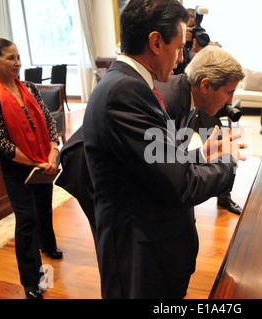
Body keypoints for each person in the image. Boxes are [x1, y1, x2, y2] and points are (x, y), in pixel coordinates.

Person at [83, 0, 242, 299]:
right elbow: (182, 184)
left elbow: (157, 160)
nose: (181, 58)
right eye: (179, 47)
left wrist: (199, 156)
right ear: (156, 42)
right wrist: (228, 160)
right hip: (140, 253)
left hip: (154, 245)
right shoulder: (126, 92)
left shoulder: (136, 86)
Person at [0, 38, 62, 299]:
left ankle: (47, 245)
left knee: (44, 207)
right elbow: (0, 142)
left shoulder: (29, 88)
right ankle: (31, 279)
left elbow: (48, 120)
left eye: (18, 57)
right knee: (26, 219)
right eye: (10, 58)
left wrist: (53, 150)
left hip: (42, 160)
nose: (18, 63)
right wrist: (38, 162)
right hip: (17, 167)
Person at [156, 45, 246, 215]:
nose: (230, 101)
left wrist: (203, 154)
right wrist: (228, 160)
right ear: (206, 86)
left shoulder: (186, 94)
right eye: (229, 92)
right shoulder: (166, 103)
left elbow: (172, 162)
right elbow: (176, 184)